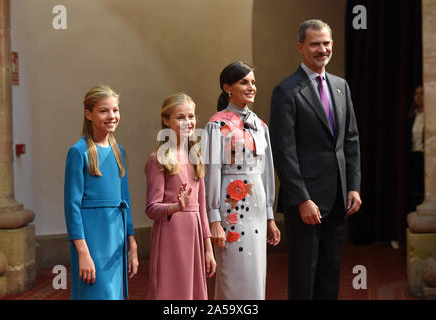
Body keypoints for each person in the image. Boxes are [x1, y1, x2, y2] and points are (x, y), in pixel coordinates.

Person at [269, 19, 362, 300]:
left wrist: (354, 186)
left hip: (337, 195)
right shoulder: (286, 91)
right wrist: (301, 199)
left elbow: (351, 140)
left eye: (326, 43)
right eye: (315, 44)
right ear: (300, 47)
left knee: (330, 268)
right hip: (305, 200)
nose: (322, 49)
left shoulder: (340, 86)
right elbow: (284, 151)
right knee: (304, 271)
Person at [204, 61, 281, 300]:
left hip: (257, 206)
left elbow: (267, 171)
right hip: (231, 208)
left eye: (253, 82)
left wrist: (270, 215)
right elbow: (211, 172)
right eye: (244, 82)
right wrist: (214, 218)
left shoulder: (260, 125)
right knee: (234, 274)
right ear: (228, 87)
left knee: (256, 272)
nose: (251, 87)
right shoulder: (216, 124)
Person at [64, 84, 138, 300]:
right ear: (89, 114)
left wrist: (131, 244)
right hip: (92, 240)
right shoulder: (78, 152)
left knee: (112, 295)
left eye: (115, 110)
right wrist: (83, 253)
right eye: (104, 111)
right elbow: (72, 207)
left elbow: (126, 200)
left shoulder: (118, 152)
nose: (112, 116)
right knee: (96, 294)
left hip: (116, 238)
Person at [145, 92, 216, 300]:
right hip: (170, 235)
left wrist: (208, 249)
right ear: (166, 120)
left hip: (194, 235)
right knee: (169, 292)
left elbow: (202, 209)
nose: (188, 122)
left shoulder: (195, 156)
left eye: (191, 116)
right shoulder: (159, 159)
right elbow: (151, 208)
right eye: (180, 117)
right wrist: (175, 207)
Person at [406, 85, 424, 213]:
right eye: (416, 93)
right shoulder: (412, 116)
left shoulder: (429, 116)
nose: (418, 97)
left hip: (425, 157)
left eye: (422, 94)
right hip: (413, 156)